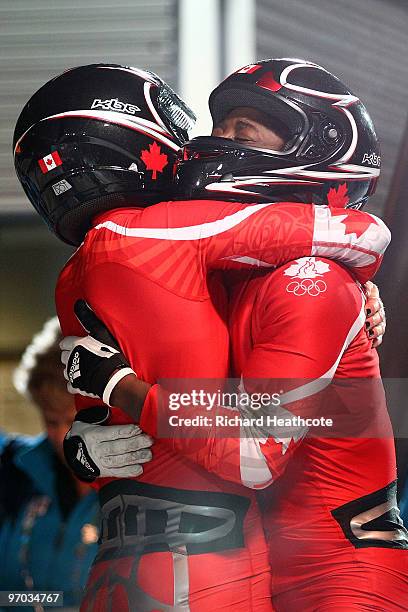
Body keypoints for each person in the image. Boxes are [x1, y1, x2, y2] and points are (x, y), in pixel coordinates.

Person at [14, 63, 390, 611]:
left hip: (334, 570)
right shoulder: (219, 270)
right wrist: (88, 439)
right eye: (219, 127)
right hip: (248, 557)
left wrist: (116, 388)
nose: (214, 143)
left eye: (243, 130)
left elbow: (249, 452)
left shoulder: (305, 278)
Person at [0, 318, 100, 608]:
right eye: (51, 420)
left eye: (72, 420)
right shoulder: (14, 470)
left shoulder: (141, 486)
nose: (61, 436)